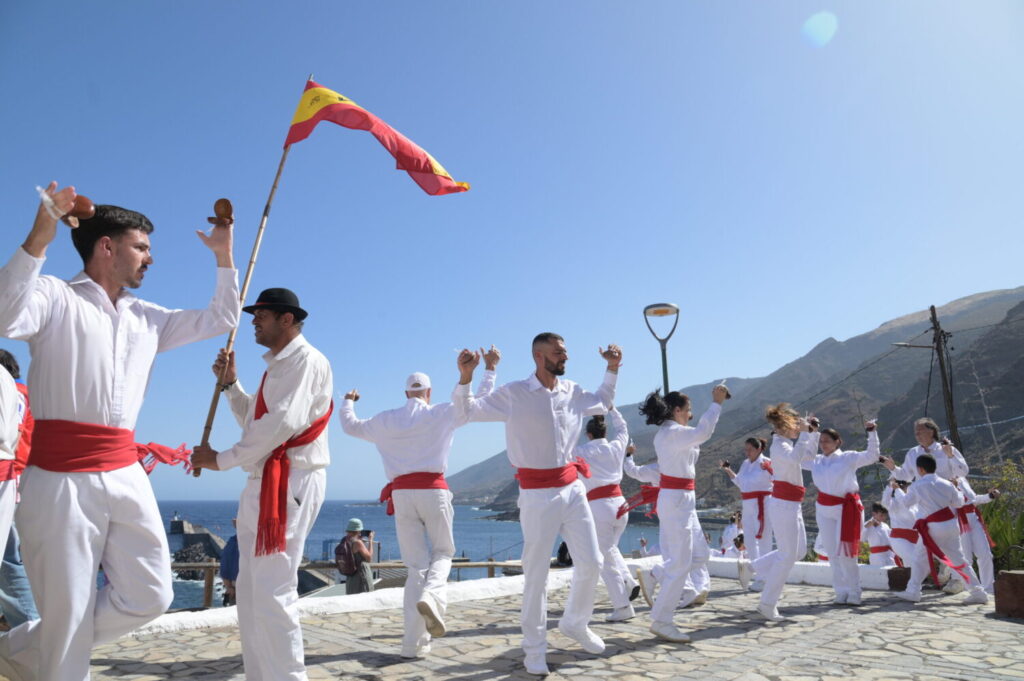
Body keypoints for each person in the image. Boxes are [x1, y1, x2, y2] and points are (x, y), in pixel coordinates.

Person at [0, 184, 239, 681]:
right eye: (142, 247)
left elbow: (222, 317)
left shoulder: (147, 317)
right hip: (60, 477)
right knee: (67, 612)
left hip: (124, 473)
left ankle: (20, 648)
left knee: (152, 593)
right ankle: (46, 654)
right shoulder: (55, 296)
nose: (151, 258)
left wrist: (223, 256)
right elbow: (6, 315)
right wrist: (41, 235)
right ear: (106, 246)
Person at [453, 333, 622, 676]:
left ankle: (575, 623)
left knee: (592, 561)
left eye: (565, 351)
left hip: (573, 488)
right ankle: (534, 648)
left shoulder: (572, 391)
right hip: (536, 495)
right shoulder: (514, 393)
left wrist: (612, 368)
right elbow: (468, 411)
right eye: (559, 352)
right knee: (536, 575)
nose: (565, 357)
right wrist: (467, 376)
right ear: (539, 356)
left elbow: (603, 401)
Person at [191, 287, 332, 681]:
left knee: (273, 590)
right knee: (251, 592)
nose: (254, 321)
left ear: (287, 319)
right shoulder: (277, 368)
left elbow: (281, 425)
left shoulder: (307, 361)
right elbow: (255, 421)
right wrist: (231, 385)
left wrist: (220, 460)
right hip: (265, 480)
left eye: (261, 315)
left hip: (289, 480)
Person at [338, 348, 499, 659]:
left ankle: (413, 645)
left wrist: (348, 400)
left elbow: (349, 425)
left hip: (402, 496)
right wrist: (488, 370)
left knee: (416, 568)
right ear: (429, 392)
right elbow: (474, 403)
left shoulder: (384, 420)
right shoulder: (441, 412)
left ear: (405, 393)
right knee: (444, 552)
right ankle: (433, 596)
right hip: (433, 491)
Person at [637, 385, 727, 642]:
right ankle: (662, 620)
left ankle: (657, 574)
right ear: (677, 410)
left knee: (700, 555)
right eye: (688, 410)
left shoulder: (673, 434)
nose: (691, 414)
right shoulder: (672, 433)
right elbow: (703, 432)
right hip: (677, 500)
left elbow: (695, 441)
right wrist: (716, 404)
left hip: (682, 499)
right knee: (680, 563)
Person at [743, 404, 819, 622]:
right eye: (795, 424)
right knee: (787, 556)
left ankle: (752, 567)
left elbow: (808, 457)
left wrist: (812, 434)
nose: (798, 427)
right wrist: (804, 434)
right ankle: (767, 604)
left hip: (792, 504)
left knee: (798, 551)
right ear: (785, 425)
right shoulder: (779, 446)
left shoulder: (788, 445)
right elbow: (795, 458)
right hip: (784, 504)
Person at [890, 454, 988, 605]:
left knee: (918, 559)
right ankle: (978, 592)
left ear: (920, 469)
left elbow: (906, 503)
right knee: (959, 559)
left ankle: (913, 590)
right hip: (950, 525)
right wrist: (955, 488)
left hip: (932, 528)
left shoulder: (917, 486)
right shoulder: (947, 484)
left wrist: (897, 490)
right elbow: (959, 503)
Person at [573, 407, 639, 623]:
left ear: (589, 434)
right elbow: (623, 429)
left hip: (599, 507)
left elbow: (564, 443)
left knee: (605, 559)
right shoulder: (616, 446)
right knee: (610, 549)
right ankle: (628, 581)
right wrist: (613, 409)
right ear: (604, 432)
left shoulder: (581, 451)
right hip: (621, 505)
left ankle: (623, 606)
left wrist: (575, 414)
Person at [803, 422, 880, 605]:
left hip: (846, 509)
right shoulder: (816, 461)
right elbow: (802, 459)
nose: (823, 444)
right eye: (821, 441)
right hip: (824, 510)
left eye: (827, 441)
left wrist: (872, 433)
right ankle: (841, 590)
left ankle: (854, 591)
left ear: (837, 441)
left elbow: (872, 456)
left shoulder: (848, 457)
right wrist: (812, 434)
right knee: (832, 553)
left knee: (846, 554)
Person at [721, 437, 774, 567]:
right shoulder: (745, 464)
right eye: (746, 449)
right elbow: (740, 482)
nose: (747, 452)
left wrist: (770, 469)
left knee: (764, 539)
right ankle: (757, 567)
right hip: (748, 504)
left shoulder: (767, 463)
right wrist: (728, 470)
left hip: (763, 504)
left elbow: (778, 480)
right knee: (749, 540)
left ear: (759, 449)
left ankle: (766, 571)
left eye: (750, 449)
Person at [881, 417, 967, 482]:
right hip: (925, 499)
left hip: (946, 497)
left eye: (920, 431)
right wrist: (893, 468)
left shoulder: (947, 450)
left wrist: (951, 456)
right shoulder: (913, 453)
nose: (917, 435)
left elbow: (963, 472)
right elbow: (906, 477)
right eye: (916, 433)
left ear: (931, 432)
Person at [953, 477, 999, 595]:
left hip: (974, 520)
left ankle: (988, 587)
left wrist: (990, 496)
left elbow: (973, 498)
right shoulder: (942, 480)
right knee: (966, 557)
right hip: (959, 522)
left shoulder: (962, 479)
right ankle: (968, 588)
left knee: (985, 554)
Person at [882, 480, 920, 571]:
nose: (908, 488)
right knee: (916, 561)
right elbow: (885, 502)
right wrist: (890, 487)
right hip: (900, 538)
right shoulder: (893, 503)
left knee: (911, 567)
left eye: (908, 485)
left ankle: (910, 580)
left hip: (916, 538)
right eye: (905, 486)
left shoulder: (915, 502)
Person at [337, 519, 375, 594]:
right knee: (365, 597)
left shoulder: (344, 540)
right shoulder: (357, 542)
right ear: (358, 531)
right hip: (361, 576)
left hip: (350, 577)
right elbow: (369, 558)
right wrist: (371, 540)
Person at [863, 503, 897, 568]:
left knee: (893, 572)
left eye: (885, 515)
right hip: (877, 556)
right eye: (881, 515)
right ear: (874, 514)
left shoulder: (885, 525)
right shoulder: (867, 525)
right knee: (880, 573)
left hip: (889, 555)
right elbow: (862, 538)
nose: (883, 517)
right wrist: (866, 527)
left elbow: (891, 539)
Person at [220, 520, 240, 607]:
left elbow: (224, 567)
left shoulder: (233, 542)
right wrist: (229, 587)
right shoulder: (233, 542)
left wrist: (228, 586)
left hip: (236, 587)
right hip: (238, 588)